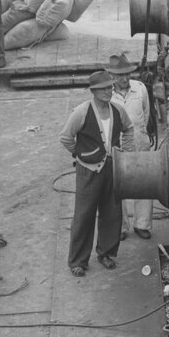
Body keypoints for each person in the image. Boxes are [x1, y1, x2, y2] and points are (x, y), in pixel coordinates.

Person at [58, 70, 129, 275]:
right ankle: (78, 261)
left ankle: (106, 253)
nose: (108, 91)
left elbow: (129, 128)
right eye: (103, 89)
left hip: (113, 168)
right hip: (88, 170)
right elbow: (66, 137)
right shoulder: (81, 111)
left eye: (110, 87)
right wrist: (80, 154)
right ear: (93, 91)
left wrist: (127, 154)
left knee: (112, 212)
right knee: (84, 214)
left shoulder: (117, 110)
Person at [107, 53, 156, 240]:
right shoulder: (107, 94)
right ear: (111, 76)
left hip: (140, 141)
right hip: (117, 147)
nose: (125, 79)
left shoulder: (140, 89)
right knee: (117, 185)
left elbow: (146, 112)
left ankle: (142, 224)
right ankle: (120, 226)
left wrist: (142, 134)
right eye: (120, 76)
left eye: (127, 74)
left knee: (146, 182)